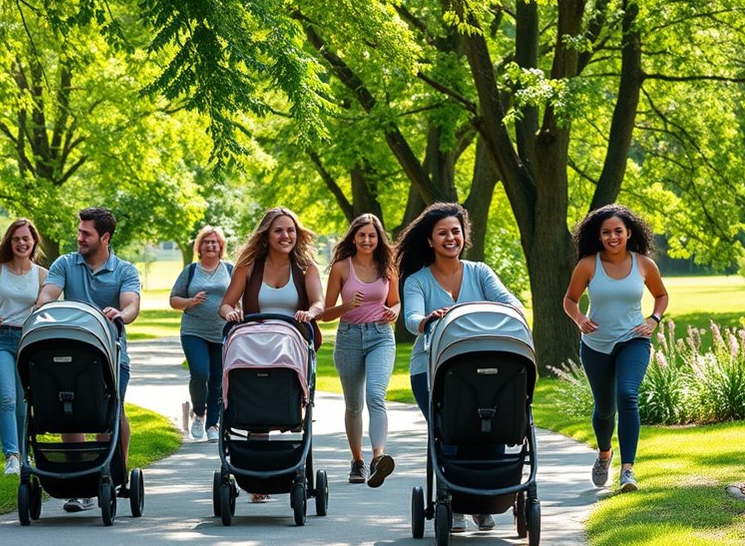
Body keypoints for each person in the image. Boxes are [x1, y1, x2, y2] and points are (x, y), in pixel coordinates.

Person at [395, 201, 522, 532]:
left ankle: (486, 500)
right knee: (450, 431)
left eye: (456, 231)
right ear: (430, 240)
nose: (450, 237)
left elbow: (511, 303)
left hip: (485, 363)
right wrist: (426, 320)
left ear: (464, 236)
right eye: (442, 233)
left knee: (491, 425)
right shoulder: (418, 281)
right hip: (432, 370)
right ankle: (455, 503)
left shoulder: (480, 272)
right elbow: (410, 319)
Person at [35, 207, 141, 512]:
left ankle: (113, 472)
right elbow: (49, 293)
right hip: (71, 352)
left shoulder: (125, 271)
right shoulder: (65, 263)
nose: (79, 237)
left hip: (110, 353)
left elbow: (131, 304)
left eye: (86, 233)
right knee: (71, 411)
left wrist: (122, 314)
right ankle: (79, 484)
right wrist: (43, 304)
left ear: (104, 237)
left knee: (109, 413)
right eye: (79, 231)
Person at [218, 207, 324, 502]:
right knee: (255, 399)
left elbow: (319, 303)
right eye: (279, 230)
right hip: (253, 344)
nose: (286, 236)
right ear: (266, 235)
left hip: (291, 345)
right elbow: (225, 305)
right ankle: (256, 477)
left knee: (277, 389)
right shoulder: (250, 266)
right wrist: (231, 313)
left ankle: (281, 469)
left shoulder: (305, 267)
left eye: (290, 230)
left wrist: (309, 312)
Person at [563, 203, 668, 493]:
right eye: (606, 232)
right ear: (598, 236)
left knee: (627, 395)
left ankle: (628, 471)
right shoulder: (588, 264)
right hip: (596, 345)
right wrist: (580, 319)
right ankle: (604, 454)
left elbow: (661, 295)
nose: (613, 237)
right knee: (605, 409)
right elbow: (569, 300)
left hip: (634, 340)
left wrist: (654, 319)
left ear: (629, 232)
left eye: (618, 231)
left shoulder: (644, 264)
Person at [320, 213, 400, 488]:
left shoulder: (388, 267)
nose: (367, 240)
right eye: (362, 235)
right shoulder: (342, 268)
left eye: (372, 235)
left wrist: (394, 312)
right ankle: (357, 461)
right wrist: (347, 306)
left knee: (376, 395)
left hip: (380, 336)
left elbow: (397, 302)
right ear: (353, 237)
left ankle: (379, 457)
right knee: (353, 405)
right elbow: (325, 313)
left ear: (379, 239)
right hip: (349, 337)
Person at [0, 218, 48, 476]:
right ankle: (12, 456)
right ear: (9, 241)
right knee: (7, 398)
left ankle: (24, 453)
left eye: (26, 238)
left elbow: (48, 307)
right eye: (16, 239)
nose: (21, 243)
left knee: (22, 403)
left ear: (34, 242)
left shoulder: (42, 275)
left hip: (28, 342)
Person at [169, 226, 233, 443]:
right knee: (199, 373)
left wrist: (238, 310)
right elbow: (173, 300)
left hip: (222, 331)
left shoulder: (230, 270)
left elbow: (238, 297)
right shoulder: (190, 271)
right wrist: (190, 301)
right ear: (200, 246)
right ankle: (198, 412)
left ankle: (213, 424)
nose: (211, 245)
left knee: (217, 378)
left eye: (215, 242)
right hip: (193, 330)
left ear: (221, 246)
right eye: (207, 241)